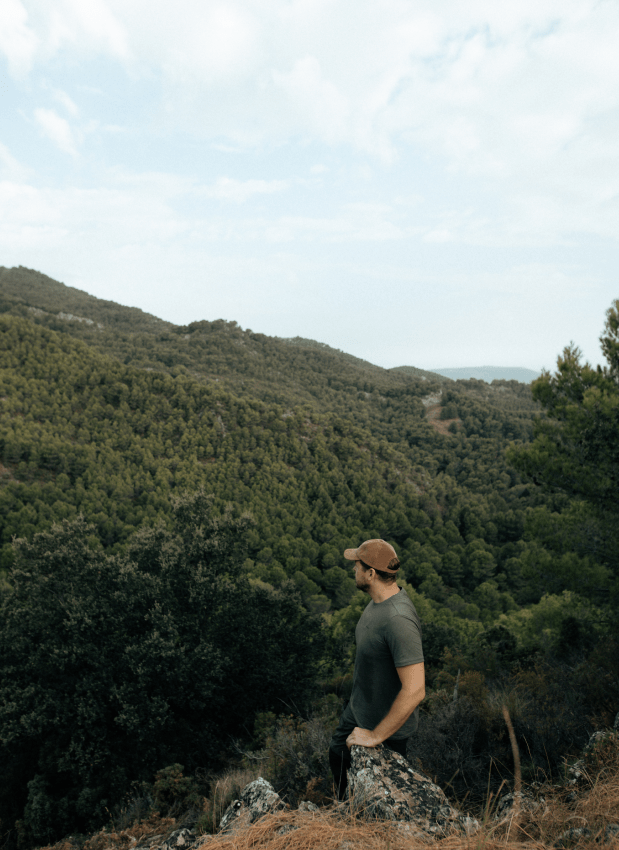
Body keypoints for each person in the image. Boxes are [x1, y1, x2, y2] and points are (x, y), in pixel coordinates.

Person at [329, 538, 425, 800]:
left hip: (386, 732)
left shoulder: (398, 619)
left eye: (357, 566)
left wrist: (375, 735)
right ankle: (343, 813)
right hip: (358, 710)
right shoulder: (377, 601)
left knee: (379, 801)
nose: (353, 570)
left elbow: (416, 689)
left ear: (371, 573)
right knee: (337, 757)